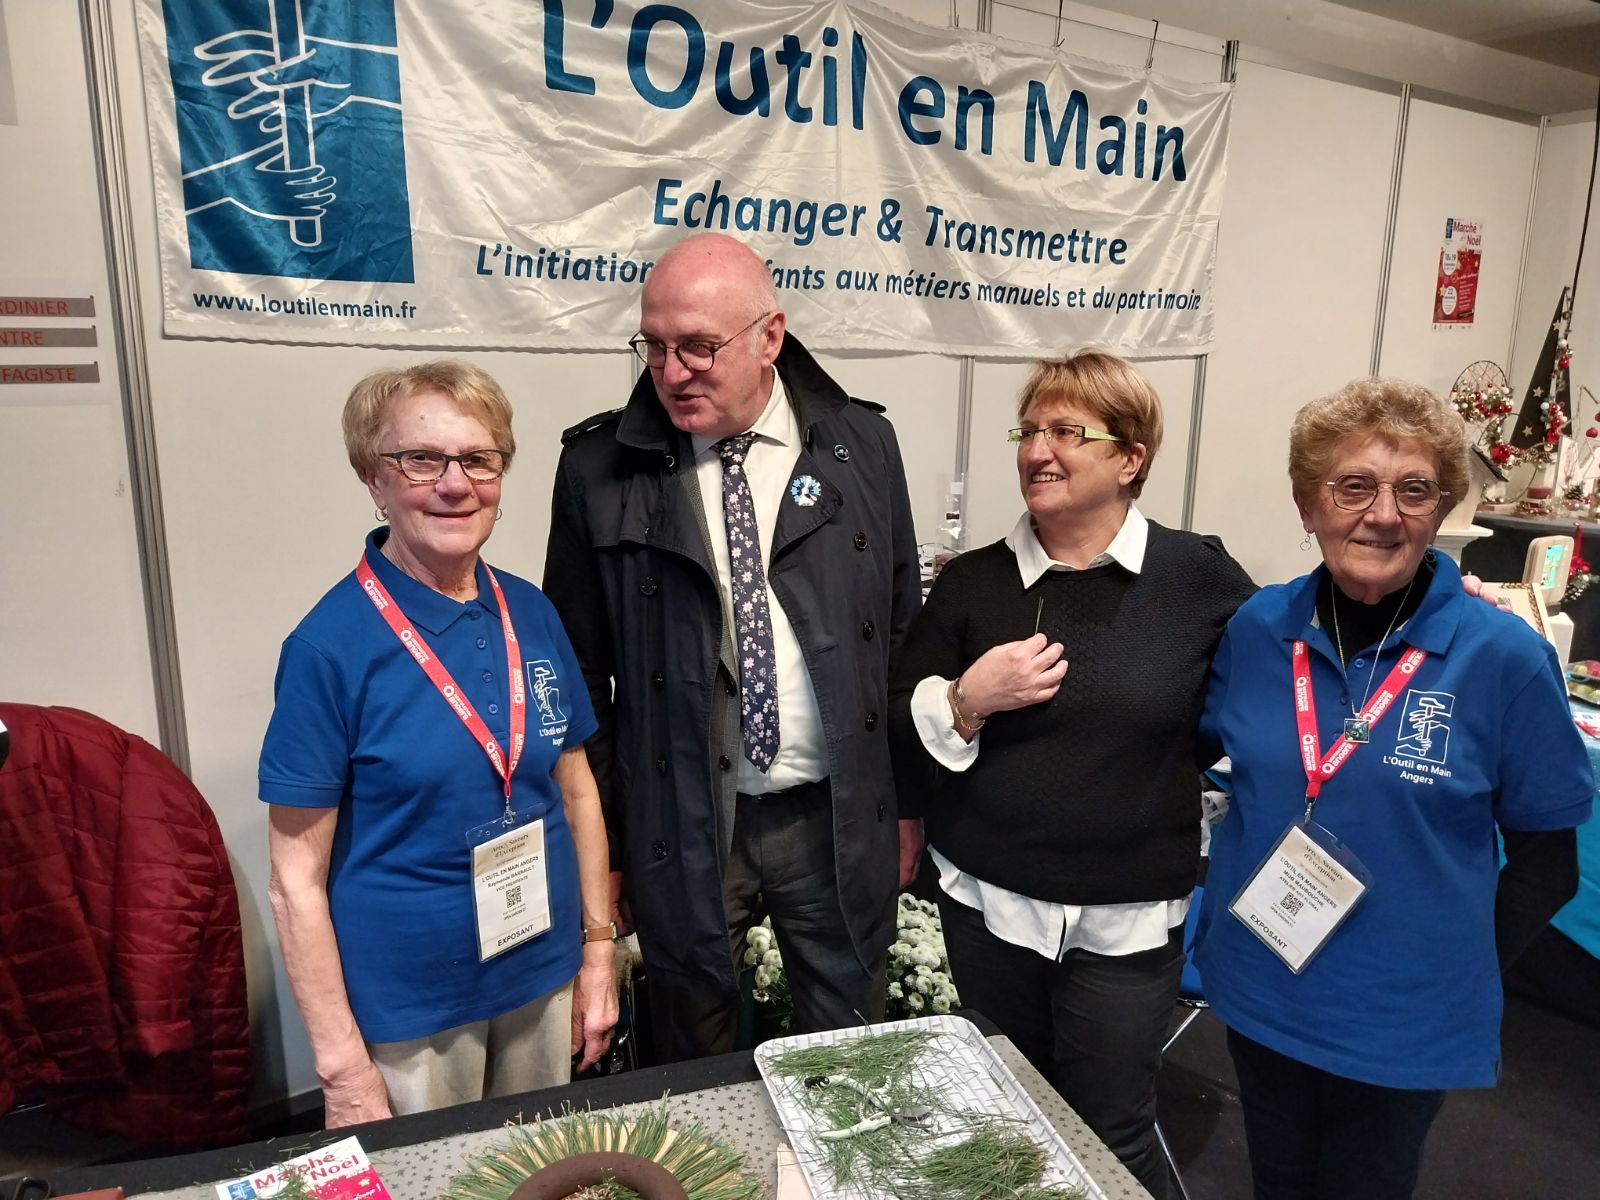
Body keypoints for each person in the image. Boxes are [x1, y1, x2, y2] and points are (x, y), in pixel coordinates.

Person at [1195, 378, 1593, 1200]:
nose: (1383, 513)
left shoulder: (1502, 658)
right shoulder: (1257, 629)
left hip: (1400, 1025)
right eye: (1354, 487)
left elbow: (1550, 862)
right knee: (1275, 1182)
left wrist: (1448, 967)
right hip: (1262, 984)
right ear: (1308, 507)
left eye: (1414, 489)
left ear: (1441, 507)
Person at [543, 232, 923, 1062]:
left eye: (699, 347)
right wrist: (602, 848)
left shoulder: (863, 448)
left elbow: (899, 641)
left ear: (770, 338)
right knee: (692, 1054)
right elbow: (576, 682)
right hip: (681, 821)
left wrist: (905, 805)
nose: (672, 371)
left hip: (830, 816)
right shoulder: (598, 470)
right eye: (655, 345)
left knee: (849, 1052)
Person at [888, 351, 1256, 1199]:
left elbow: (1270, 682)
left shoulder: (1198, 578)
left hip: (1124, 912)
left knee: (1109, 1123)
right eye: (1029, 431)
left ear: (1130, 458)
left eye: (1066, 432)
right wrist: (966, 698)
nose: (1037, 451)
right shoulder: (974, 581)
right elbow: (903, 713)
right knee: (1003, 1105)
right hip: (989, 902)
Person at [261, 361, 616, 1126]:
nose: (454, 484)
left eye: (478, 459)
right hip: (414, 1007)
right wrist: (340, 1065)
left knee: (537, 1173)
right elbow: (294, 883)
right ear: (372, 477)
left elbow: (578, 791)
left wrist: (597, 955)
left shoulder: (533, 611)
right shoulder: (329, 650)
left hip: (542, 975)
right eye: (421, 459)